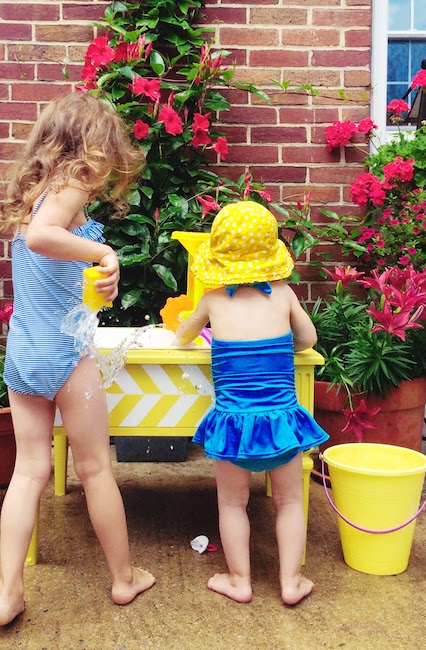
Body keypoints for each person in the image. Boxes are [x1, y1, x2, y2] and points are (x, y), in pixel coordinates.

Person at [0, 92, 155, 626]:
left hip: (24, 354)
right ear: (87, 146)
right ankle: (124, 578)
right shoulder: (70, 185)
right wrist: (106, 253)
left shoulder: (36, 193)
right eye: (105, 152)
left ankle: (8, 591)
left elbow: (53, 273)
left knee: (29, 470)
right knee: (95, 468)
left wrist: (101, 286)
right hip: (65, 356)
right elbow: (44, 239)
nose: (106, 168)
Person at [173, 201, 329, 606]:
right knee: (290, 501)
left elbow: (183, 337)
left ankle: (240, 580)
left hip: (233, 428)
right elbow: (309, 340)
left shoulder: (212, 299)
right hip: (281, 423)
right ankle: (291, 582)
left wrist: (188, 323)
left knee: (232, 502)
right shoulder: (283, 295)